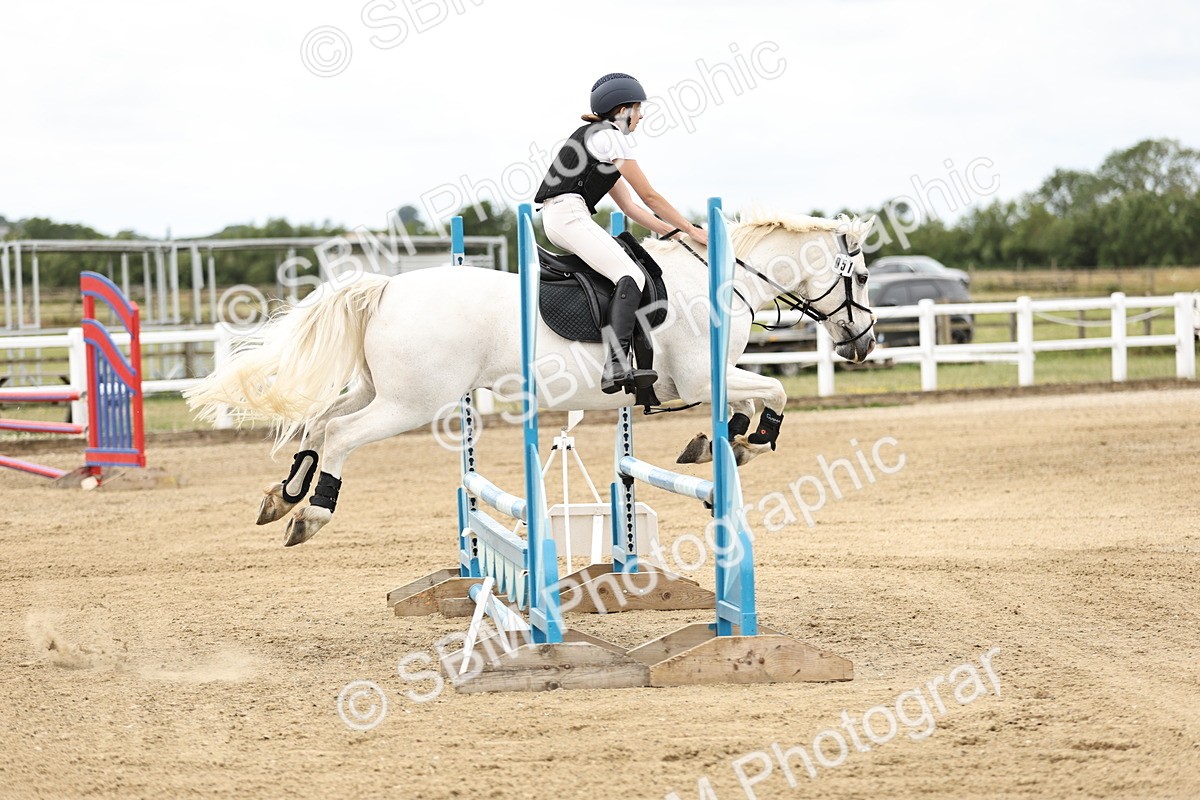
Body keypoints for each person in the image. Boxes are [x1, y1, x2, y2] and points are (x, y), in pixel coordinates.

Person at [534, 72, 709, 394]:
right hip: (569, 215)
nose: (641, 117)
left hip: (562, 217)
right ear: (623, 109)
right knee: (632, 275)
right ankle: (615, 364)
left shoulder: (596, 139)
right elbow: (650, 197)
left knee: (627, 271)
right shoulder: (612, 137)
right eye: (638, 110)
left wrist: (678, 236)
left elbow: (631, 208)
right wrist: (691, 228)